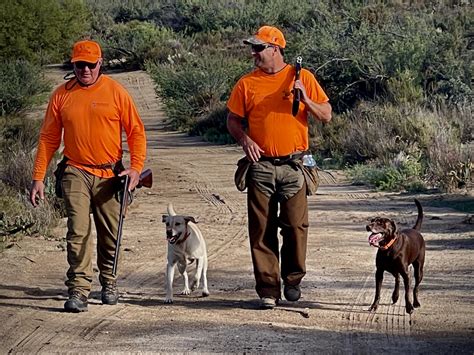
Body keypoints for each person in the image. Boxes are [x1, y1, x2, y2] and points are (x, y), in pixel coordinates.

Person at [29, 40, 147, 313]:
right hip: (75, 170)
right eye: (79, 64)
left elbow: (136, 132)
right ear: (73, 64)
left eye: (90, 65)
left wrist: (136, 169)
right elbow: (48, 138)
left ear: (100, 63)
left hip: (110, 174)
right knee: (78, 231)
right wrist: (38, 177)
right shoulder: (61, 95)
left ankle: (109, 282)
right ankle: (79, 289)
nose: (84, 70)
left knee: (110, 233)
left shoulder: (116, 92)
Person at [226, 26, 332, 309]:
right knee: (261, 229)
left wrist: (305, 98)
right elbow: (233, 120)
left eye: (259, 48)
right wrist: (245, 139)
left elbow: (326, 115)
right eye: (253, 48)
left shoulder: (303, 77)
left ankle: (293, 279)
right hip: (260, 167)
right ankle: (268, 289)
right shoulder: (246, 84)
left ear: (275, 49)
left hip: (295, 166)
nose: (254, 53)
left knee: (296, 226)